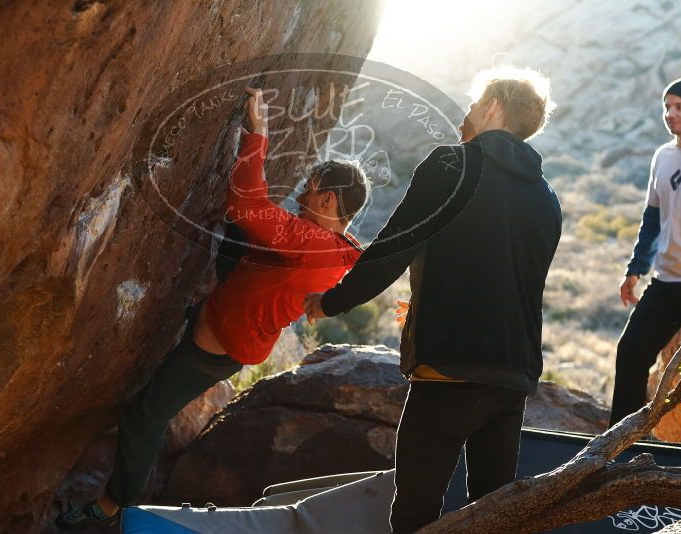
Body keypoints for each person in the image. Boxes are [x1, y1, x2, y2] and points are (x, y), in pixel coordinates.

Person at [56, 87, 369, 529]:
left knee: (145, 416)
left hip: (211, 350)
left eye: (308, 192)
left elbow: (245, 206)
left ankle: (112, 505)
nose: (300, 200)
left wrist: (257, 135)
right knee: (248, 232)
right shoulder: (337, 248)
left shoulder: (314, 244)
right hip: (232, 320)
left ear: (328, 202)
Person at [304, 66, 560, 533]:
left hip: (450, 368)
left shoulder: (453, 164)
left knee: (415, 515)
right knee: (493, 518)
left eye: (473, 104)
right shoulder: (546, 196)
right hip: (512, 377)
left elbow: (393, 248)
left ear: (492, 108)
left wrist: (332, 302)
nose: (466, 114)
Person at [609, 77, 681, 442]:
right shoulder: (662, 157)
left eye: (679, 106)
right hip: (666, 281)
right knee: (631, 350)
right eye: (667, 107)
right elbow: (652, 217)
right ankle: (622, 438)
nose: (671, 114)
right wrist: (635, 269)